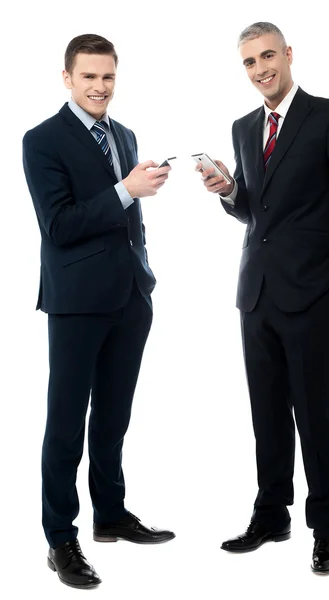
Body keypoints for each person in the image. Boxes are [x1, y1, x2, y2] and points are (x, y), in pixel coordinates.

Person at [196, 21, 329, 573]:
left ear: (288, 54)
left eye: (267, 56)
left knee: (316, 417)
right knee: (266, 414)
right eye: (249, 62)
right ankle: (271, 514)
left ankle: (326, 528)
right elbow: (258, 211)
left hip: (314, 295)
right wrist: (229, 191)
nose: (260, 70)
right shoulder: (244, 126)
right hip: (256, 294)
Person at [23, 33, 175, 589]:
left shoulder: (125, 135)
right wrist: (124, 191)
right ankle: (61, 538)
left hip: (131, 297)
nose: (100, 87)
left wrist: (137, 199)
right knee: (65, 424)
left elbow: (130, 215)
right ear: (68, 78)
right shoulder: (41, 140)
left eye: (108, 76)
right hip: (76, 302)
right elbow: (57, 225)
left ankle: (110, 514)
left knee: (113, 418)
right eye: (88, 76)